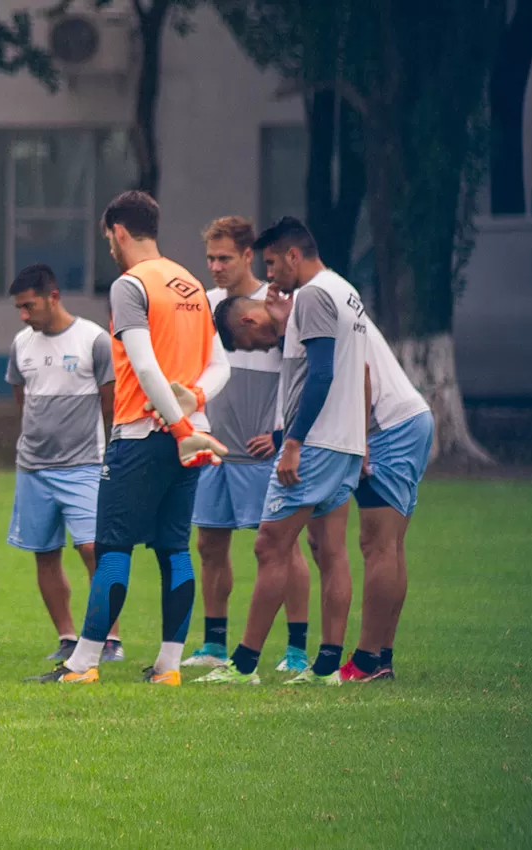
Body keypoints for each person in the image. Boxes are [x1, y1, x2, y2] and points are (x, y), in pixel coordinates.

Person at [33, 190, 231, 686]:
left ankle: (83, 664)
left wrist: (179, 426)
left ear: (119, 232)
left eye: (109, 240)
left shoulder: (130, 285)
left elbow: (143, 365)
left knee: (114, 548)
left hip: (143, 434)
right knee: (174, 548)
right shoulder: (190, 283)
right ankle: (168, 668)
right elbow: (220, 365)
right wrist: (193, 406)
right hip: (190, 435)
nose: (111, 250)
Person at [199, 216, 369, 685]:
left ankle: (243, 664)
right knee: (331, 552)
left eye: (272, 263)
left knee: (270, 544)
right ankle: (326, 667)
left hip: (313, 443)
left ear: (293, 255)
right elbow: (351, 365)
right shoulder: (344, 291)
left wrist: (290, 442)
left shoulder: (314, 293)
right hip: (346, 443)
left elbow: (319, 375)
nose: (270, 276)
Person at [182, 217, 313, 674]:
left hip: (262, 453)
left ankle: (296, 650)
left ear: (247, 256)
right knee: (209, 544)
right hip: (216, 450)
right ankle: (214, 644)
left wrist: (281, 433)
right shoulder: (203, 305)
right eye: (210, 259)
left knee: (283, 548)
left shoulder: (278, 306)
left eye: (224, 258)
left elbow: (302, 373)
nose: (215, 267)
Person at [2, 263, 117, 663]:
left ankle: (109, 639)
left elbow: (110, 404)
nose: (23, 314)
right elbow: (23, 399)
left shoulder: (94, 340)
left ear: (53, 297)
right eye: (19, 307)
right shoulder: (21, 344)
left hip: (84, 464)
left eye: (28, 305)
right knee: (45, 553)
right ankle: (68, 637)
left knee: (92, 549)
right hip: (33, 469)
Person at [334, 322, 431, 682]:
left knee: (377, 546)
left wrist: (357, 443)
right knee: (390, 546)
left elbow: (360, 372)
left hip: (389, 429)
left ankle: (365, 660)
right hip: (407, 420)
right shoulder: (336, 297)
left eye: (274, 261)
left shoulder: (314, 302)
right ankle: (381, 658)